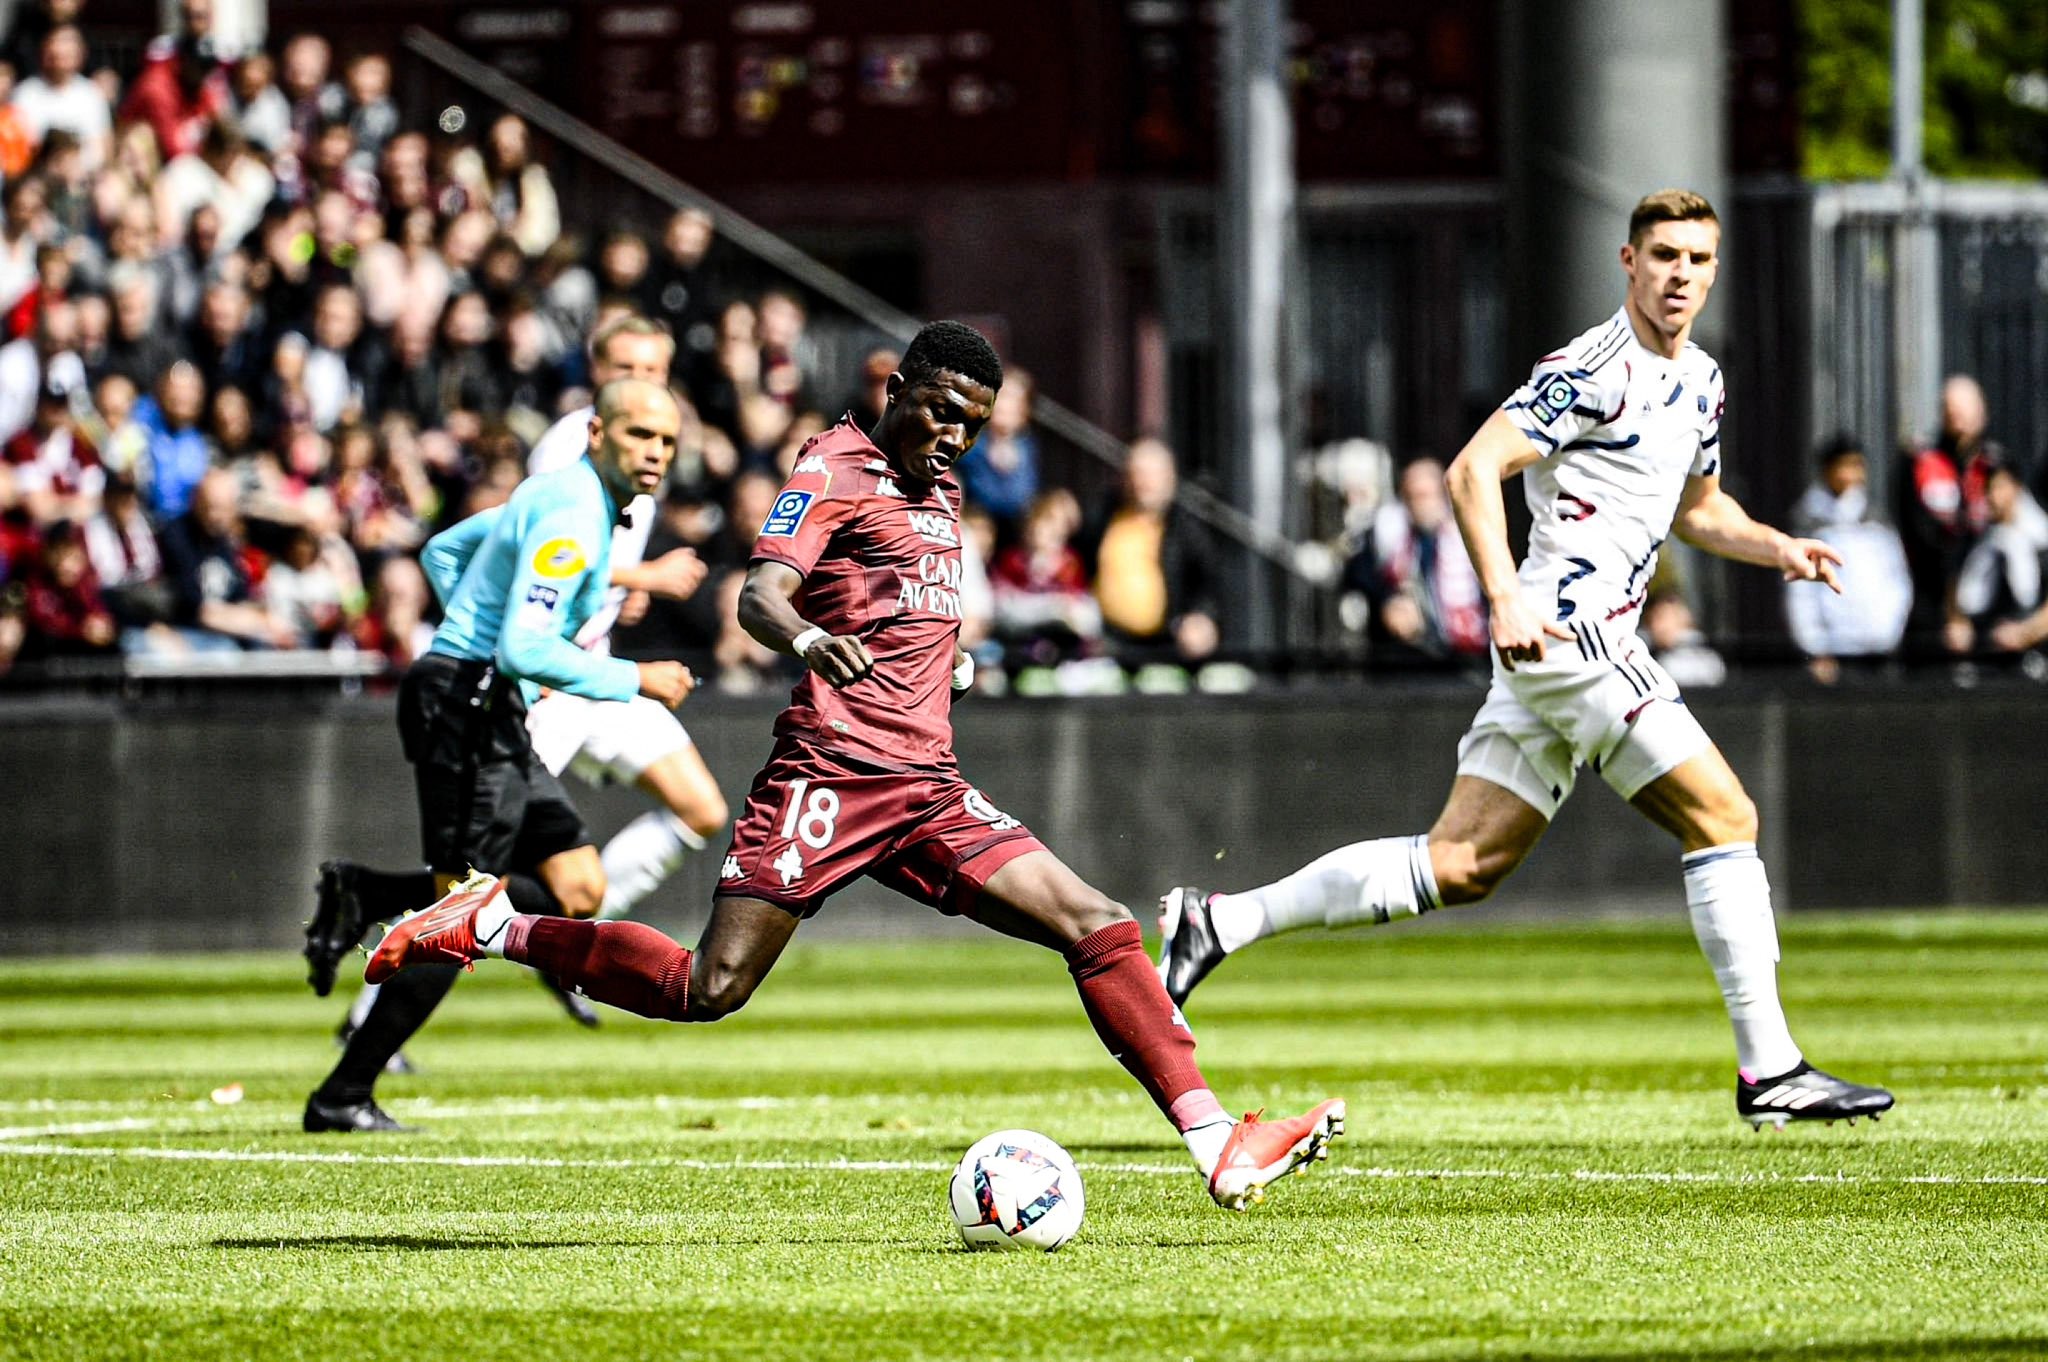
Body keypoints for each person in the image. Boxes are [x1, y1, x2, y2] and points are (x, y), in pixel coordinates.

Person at [364, 322, 1344, 1207]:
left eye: (972, 422)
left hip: (925, 787)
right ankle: (493, 923)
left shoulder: (944, 484)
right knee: (707, 989)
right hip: (828, 779)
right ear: (896, 390)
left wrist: (946, 655)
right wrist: (802, 641)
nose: (953, 436)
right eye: (938, 412)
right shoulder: (833, 465)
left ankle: (1217, 1140)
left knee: (1098, 925)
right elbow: (762, 593)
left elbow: (907, 598)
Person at [1156, 190, 1894, 1130]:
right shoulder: (1591, 368)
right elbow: (1472, 471)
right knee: (1726, 813)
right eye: (1663, 256)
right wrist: (1503, 596)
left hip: (1567, 650)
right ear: (1628, 263)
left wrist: (1778, 547)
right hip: (1569, 634)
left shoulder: (1702, 381)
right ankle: (1770, 1071)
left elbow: (1699, 510)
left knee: (1461, 864)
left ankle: (1221, 921)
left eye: (1698, 260)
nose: (1681, 276)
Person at [299, 377, 697, 1132]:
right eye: (641, 434)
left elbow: (447, 553)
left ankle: (369, 894)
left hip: (488, 706)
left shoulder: (559, 497)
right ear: (597, 434)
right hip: (468, 710)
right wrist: (631, 677)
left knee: (578, 884)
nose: (656, 452)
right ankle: (343, 1094)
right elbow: (523, 643)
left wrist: (481, 648)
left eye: (667, 441)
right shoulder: (577, 515)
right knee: (464, 913)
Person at [518, 317, 728, 1017]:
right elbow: (544, 548)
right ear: (595, 371)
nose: (641, 382)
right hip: (546, 682)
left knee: (700, 809)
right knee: (471, 870)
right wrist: (650, 577)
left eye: (653, 370)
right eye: (626, 369)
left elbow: (589, 563)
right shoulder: (572, 442)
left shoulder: (649, 439)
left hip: (596, 674)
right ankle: (371, 1012)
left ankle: (566, 944)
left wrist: (620, 593)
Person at [1786, 435, 1911, 683]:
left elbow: (1896, 578)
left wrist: (1890, 629)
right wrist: (1815, 645)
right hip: (1835, 651)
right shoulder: (1809, 522)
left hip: (1879, 645)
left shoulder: (1876, 518)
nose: (1852, 475)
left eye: (1858, 466)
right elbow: (1800, 591)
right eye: (1845, 466)